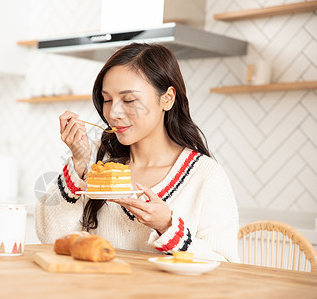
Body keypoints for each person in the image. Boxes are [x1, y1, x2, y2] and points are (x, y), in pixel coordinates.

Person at [36, 43, 239, 262]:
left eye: (129, 100)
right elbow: (50, 237)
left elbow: (225, 266)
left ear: (167, 99)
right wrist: (78, 162)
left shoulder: (205, 175)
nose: (113, 113)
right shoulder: (96, 162)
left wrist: (167, 226)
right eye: (107, 99)